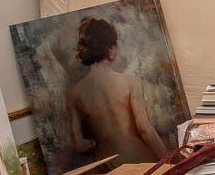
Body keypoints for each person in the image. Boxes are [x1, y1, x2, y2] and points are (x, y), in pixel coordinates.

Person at [65, 17, 169, 164]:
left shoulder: (74, 93)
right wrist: (169, 162)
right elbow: (145, 130)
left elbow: (79, 145)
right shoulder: (130, 83)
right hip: (139, 159)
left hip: (109, 166)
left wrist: (94, 143)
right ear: (110, 50)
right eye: (116, 45)